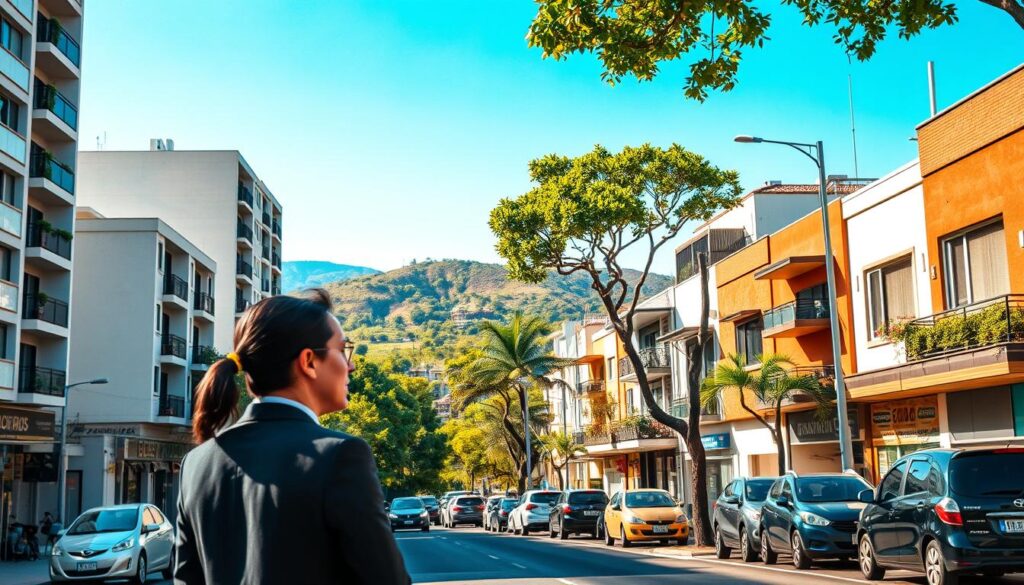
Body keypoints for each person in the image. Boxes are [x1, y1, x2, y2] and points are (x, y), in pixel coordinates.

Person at [174, 289, 410, 584]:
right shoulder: (340, 455)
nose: (351, 365)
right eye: (343, 349)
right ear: (309, 361)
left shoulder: (196, 463)